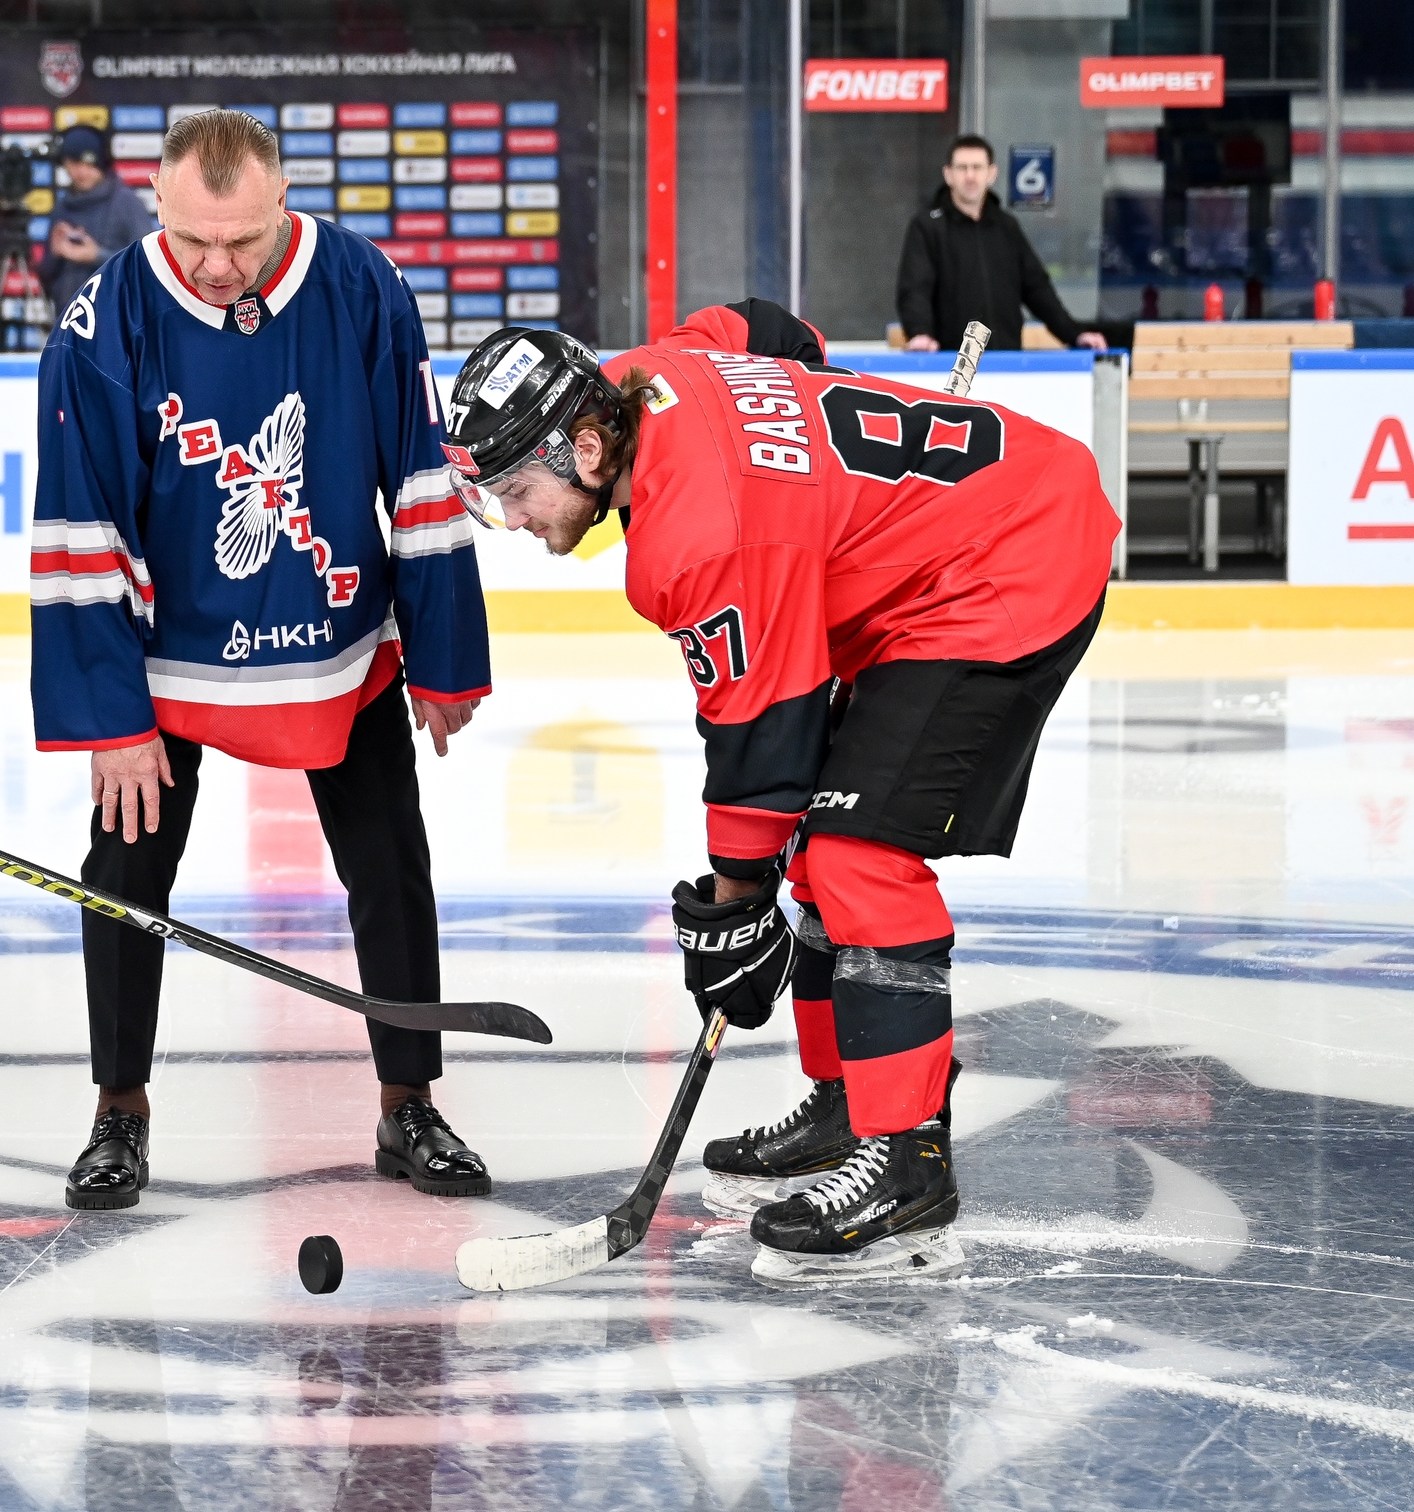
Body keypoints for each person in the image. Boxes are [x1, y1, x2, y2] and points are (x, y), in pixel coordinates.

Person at [437, 300, 1116, 1286]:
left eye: (516, 491)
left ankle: (908, 1161)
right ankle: (849, 1103)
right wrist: (812, 486)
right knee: (818, 846)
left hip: (1005, 563)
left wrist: (733, 913)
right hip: (939, 554)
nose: (514, 520)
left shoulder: (695, 536)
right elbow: (768, 329)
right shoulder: (654, 368)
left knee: (856, 852)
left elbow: (762, 751)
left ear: (585, 448)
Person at [31, 109, 494, 1213]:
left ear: (284, 199)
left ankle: (409, 1102)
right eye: (194, 238)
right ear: (155, 201)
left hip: (341, 643)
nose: (218, 265)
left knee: (390, 864)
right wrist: (111, 720)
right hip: (168, 665)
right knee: (125, 875)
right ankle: (118, 1110)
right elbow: (80, 528)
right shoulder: (103, 319)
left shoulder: (364, 283)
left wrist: (442, 652)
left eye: (242, 239)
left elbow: (420, 476)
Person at [896, 135, 1107, 354]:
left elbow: (1037, 288)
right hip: (952, 363)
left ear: (992, 174)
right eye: (962, 168)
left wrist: (1075, 334)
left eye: (977, 167)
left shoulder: (1006, 227)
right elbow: (915, 290)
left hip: (1005, 361)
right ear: (948, 175)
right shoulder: (928, 226)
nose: (970, 176)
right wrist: (920, 333)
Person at [35, 126, 154, 315]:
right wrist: (55, 253)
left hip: (115, 318)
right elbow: (46, 276)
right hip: (68, 318)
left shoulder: (126, 203)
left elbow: (147, 265)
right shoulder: (62, 207)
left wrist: (96, 256)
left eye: (89, 164)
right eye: (74, 163)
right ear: (64, 163)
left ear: (102, 163)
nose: (82, 172)